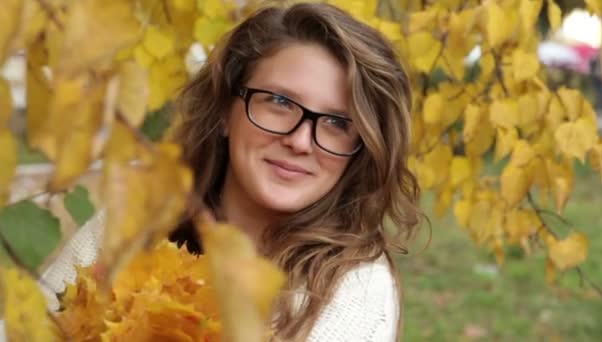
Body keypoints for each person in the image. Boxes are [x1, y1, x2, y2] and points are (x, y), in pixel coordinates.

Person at [40, 2, 422, 341]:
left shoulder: (354, 290)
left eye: (339, 123)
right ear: (225, 110)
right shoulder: (134, 224)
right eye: (279, 102)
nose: (301, 141)